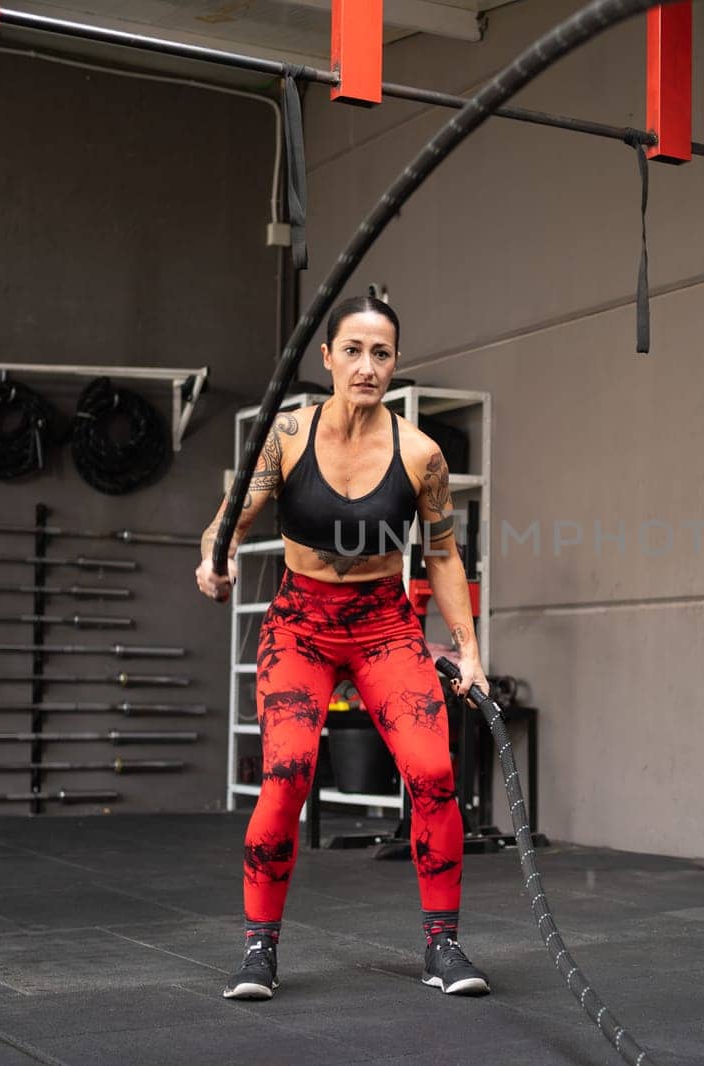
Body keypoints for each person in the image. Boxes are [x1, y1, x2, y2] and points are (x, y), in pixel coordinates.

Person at [195, 295, 490, 1001]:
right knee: (288, 775)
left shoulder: (420, 454)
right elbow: (226, 525)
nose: (367, 366)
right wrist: (216, 559)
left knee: (431, 773)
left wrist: (468, 650)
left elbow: (443, 558)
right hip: (301, 625)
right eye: (352, 351)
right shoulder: (287, 435)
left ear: (395, 363)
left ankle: (442, 946)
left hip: (386, 626)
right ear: (327, 358)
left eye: (381, 353)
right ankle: (259, 950)